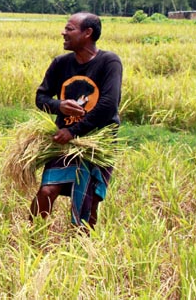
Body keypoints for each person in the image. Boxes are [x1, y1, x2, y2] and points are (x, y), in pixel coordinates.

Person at [31, 12, 123, 231]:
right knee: (47, 191)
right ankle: (32, 236)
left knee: (88, 201)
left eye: (70, 29)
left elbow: (108, 105)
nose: (63, 32)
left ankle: (80, 248)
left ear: (87, 33)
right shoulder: (60, 64)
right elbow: (40, 98)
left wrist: (74, 131)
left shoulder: (109, 62)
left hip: (96, 143)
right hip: (64, 143)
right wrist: (58, 106)